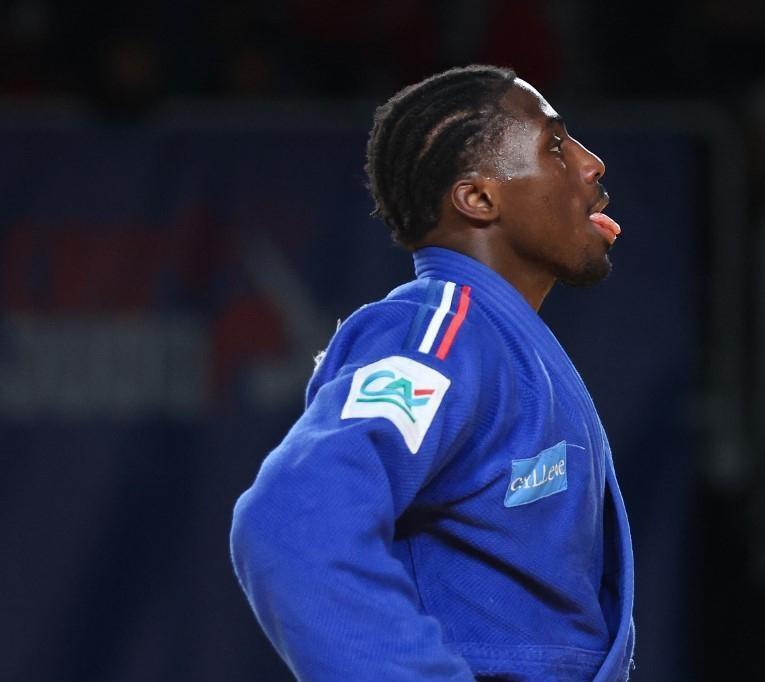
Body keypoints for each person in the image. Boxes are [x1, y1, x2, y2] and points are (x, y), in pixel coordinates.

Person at [229, 64, 635, 681]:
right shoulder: (439, 334)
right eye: (554, 145)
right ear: (478, 198)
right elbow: (290, 522)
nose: (591, 163)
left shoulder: (497, 341)